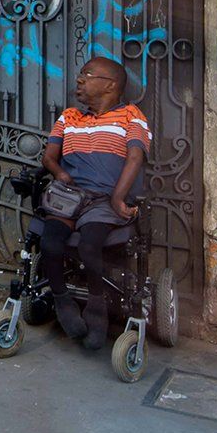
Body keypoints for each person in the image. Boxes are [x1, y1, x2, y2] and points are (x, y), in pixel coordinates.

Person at [40, 56, 151, 349]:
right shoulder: (69, 116)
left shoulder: (131, 115)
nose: (80, 80)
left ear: (110, 85)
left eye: (87, 75)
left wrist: (117, 197)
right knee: (50, 243)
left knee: (90, 245)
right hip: (70, 195)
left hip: (103, 200)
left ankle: (97, 306)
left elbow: (136, 157)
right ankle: (63, 301)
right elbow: (49, 157)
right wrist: (61, 173)